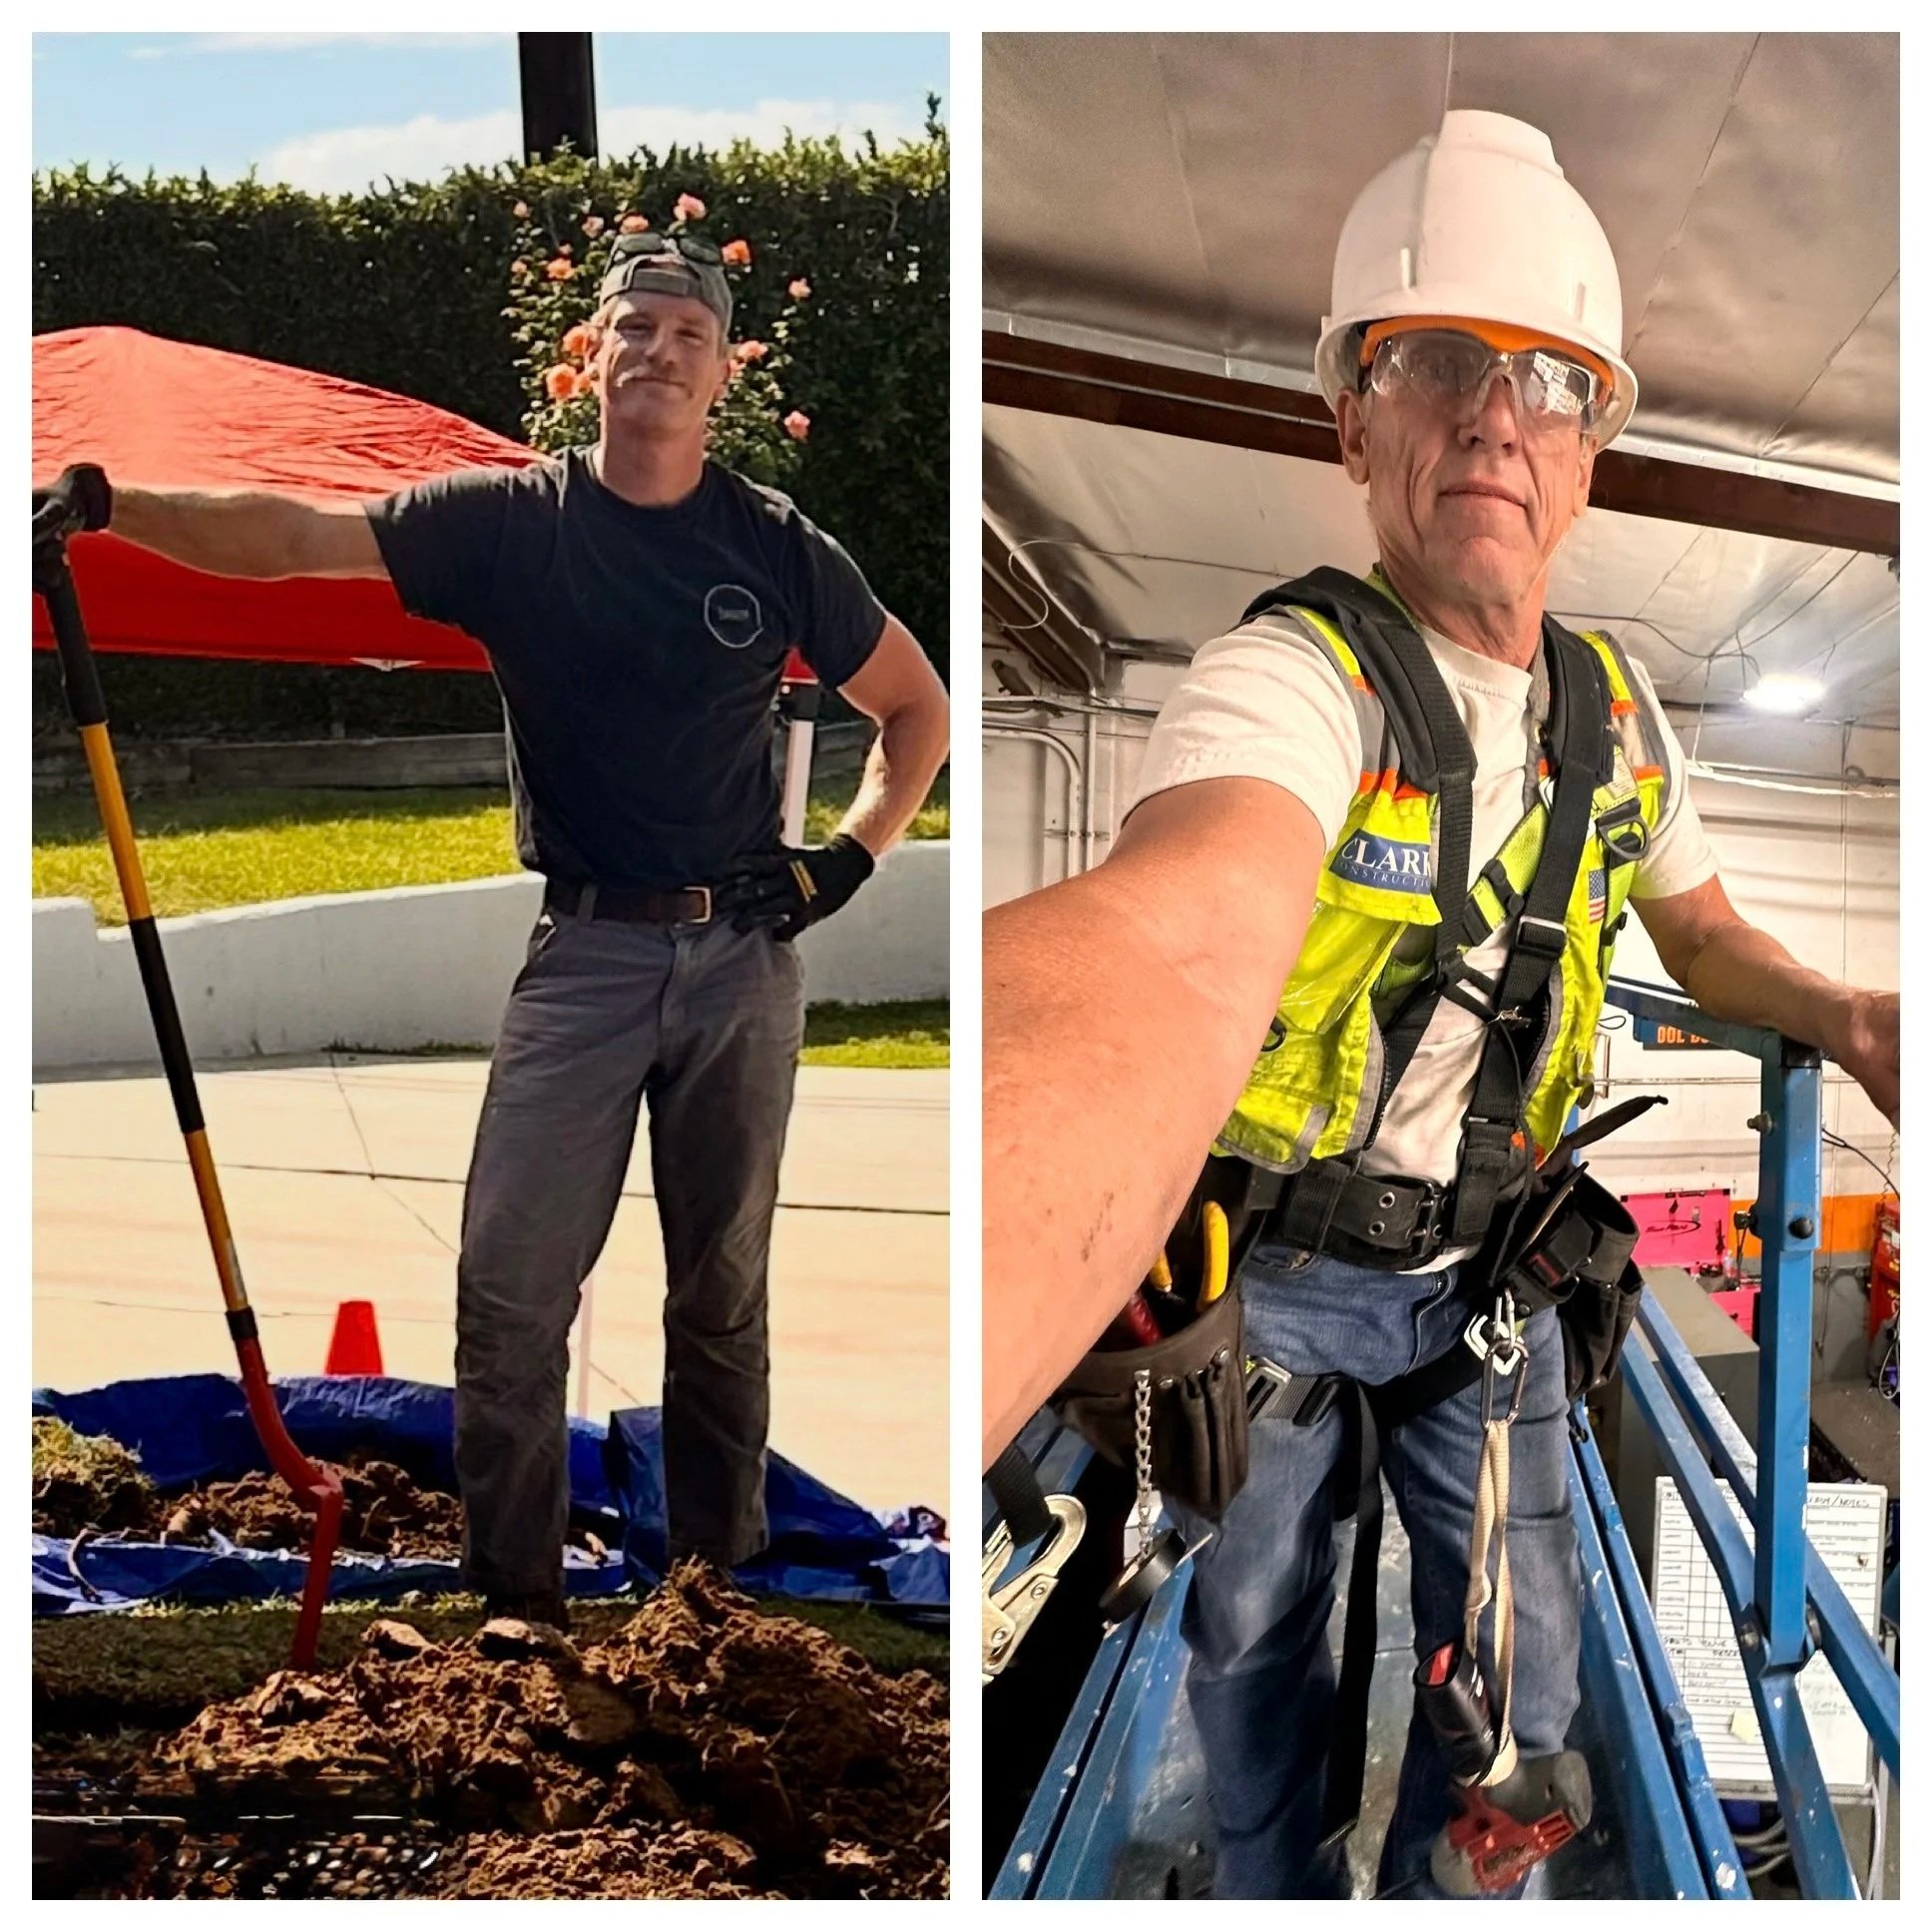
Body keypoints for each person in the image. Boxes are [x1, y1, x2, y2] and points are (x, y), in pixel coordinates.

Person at [982, 111, 1896, 1897]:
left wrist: (1851, 1010)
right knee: (1250, 1645)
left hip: (1493, 1280)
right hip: (1275, 1290)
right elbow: (1171, 932)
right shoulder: (1288, 682)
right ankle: (1274, 1884)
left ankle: (1436, 1893)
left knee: (1522, 1691)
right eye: (1438, 363)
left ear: (1590, 448)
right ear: (1357, 417)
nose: (1495, 410)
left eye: (1551, 379)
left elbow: (1701, 936)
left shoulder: (1618, 712)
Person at [50, 231, 950, 1627]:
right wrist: (111, 499)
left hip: (741, 967)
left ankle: (713, 1603)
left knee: (722, 1295)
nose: (658, 352)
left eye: (687, 336)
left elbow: (918, 706)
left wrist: (847, 861)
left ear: (721, 380)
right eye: (632, 329)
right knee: (509, 1289)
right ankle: (515, 1606)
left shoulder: (772, 545)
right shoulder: (507, 525)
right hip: (584, 955)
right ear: (590, 358)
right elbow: (288, 538)